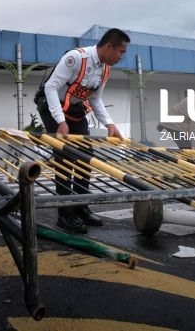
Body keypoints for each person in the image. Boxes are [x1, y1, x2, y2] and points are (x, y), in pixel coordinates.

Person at [35, 28, 129, 233]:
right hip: (53, 108)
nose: (122, 56)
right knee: (65, 158)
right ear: (109, 47)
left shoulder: (104, 69)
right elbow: (51, 87)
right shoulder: (76, 59)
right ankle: (65, 215)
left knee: (86, 157)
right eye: (121, 51)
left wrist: (110, 124)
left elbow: (95, 98)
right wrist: (60, 121)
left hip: (75, 112)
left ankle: (81, 207)